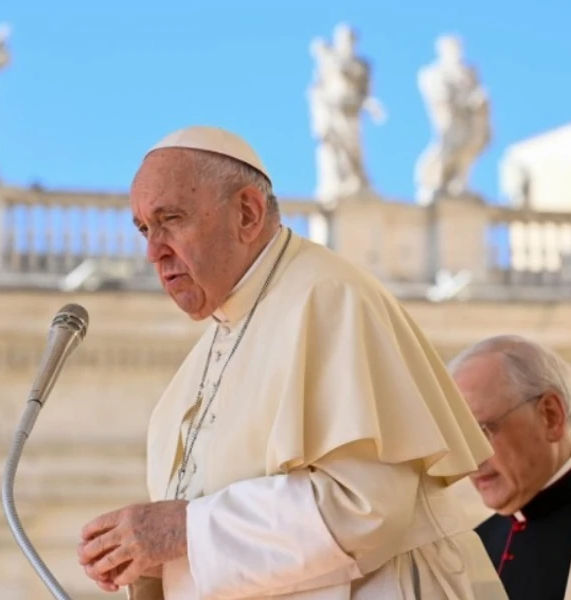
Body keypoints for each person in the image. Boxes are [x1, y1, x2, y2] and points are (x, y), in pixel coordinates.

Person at [77, 125, 507, 599]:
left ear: (247, 212)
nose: (154, 251)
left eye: (171, 219)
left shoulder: (329, 297)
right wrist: (150, 563)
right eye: (144, 229)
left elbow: (365, 507)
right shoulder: (201, 360)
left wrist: (181, 531)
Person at [449, 335, 571, 600]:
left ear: (550, 416)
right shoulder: (476, 546)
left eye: (480, 432)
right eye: (458, 440)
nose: (469, 460)